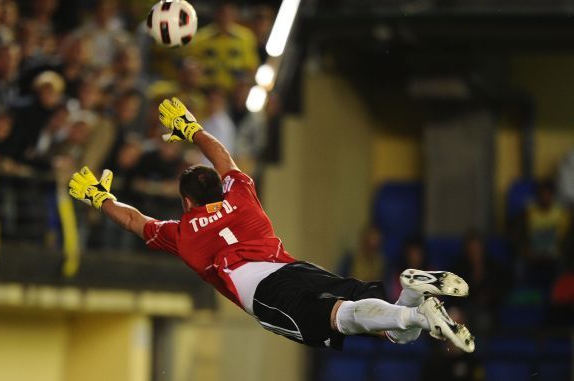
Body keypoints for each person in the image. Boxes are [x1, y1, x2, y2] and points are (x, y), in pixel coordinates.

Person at [68, 97, 475, 353]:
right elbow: (224, 157)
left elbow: (134, 221)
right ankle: (414, 309)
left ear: (188, 201)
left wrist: (99, 197)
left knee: (345, 319)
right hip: (291, 267)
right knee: (384, 326)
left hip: (264, 292)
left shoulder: (182, 233)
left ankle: (413, 308)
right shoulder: (242, 195)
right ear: (219, 187)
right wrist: (192, 129)